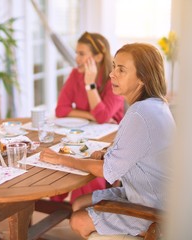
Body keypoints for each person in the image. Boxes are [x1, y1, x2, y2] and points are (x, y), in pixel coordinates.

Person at [40, 43, 175, 238]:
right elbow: (135, 151)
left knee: (77, 219)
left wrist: (62, 159)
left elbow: (107, 171)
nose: (113, 74)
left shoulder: (139, 113)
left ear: (143, 78)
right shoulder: (155, 105)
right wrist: (106, 154)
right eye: (114, 67)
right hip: (147, 195)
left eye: (121, 70)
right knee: (78, 203)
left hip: (155, 209)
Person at [52, 32, 125, 204]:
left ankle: (87, 214)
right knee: (59, 160)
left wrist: (89, 84)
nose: (76, 58)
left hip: (110, 143)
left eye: (82, 54)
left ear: (98, 56)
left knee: (84, 169)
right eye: (76, 52)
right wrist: (89, 114)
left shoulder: (114, 80)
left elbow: (103, 117)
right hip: (84, 135)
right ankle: (56, 207)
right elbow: (61, 109)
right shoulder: (76, 74)